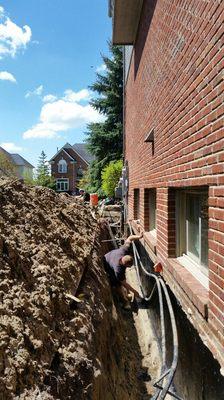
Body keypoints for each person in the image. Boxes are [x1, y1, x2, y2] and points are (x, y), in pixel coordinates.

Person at [103, 232, 143, 308]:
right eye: (128, 267)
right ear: (124, 265)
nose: (128, 268)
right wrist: (135, 292)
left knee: (122, 280)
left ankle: (127, 294)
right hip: (107, 263)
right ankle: (125, 302)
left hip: (111, 255)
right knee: (117, 284)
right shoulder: (118, 269)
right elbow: (124, 283)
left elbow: (130, 238)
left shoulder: (124, 250)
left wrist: (139, 236)